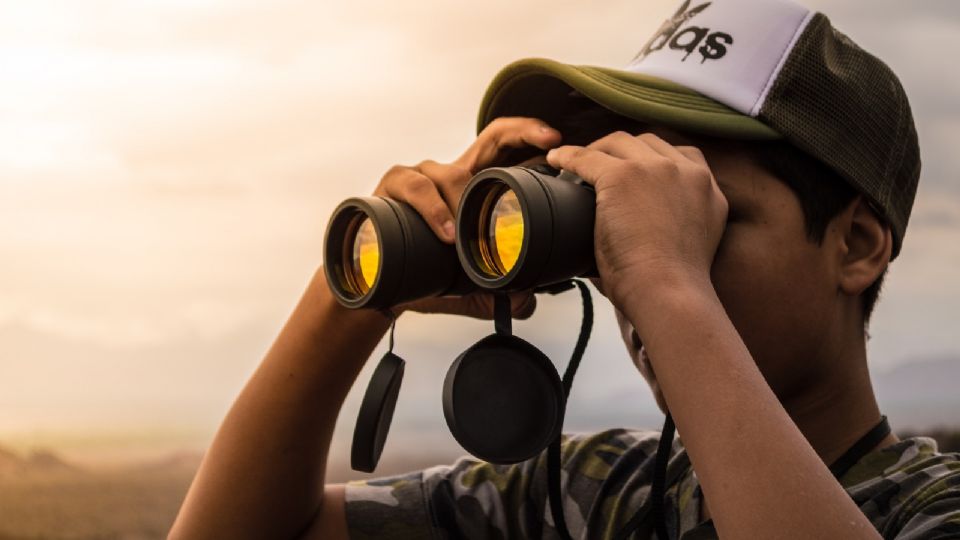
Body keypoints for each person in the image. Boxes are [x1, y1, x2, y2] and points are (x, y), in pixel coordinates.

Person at [170, 0, 960, 538]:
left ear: (856, 245)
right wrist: (356, 288)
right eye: (618, 205)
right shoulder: (601, 494)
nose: (629, 263)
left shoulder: (930, 511)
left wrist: (664, 279)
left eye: (700, 208)